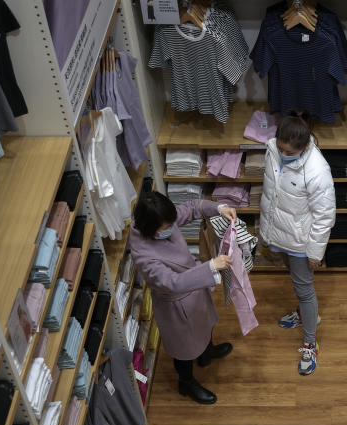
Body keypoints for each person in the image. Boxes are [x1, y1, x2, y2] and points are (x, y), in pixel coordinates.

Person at [130, 192, 237, 404]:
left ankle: (206, 353)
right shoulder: (144, 255)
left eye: (171, 223)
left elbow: (190, 208)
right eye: (165, 228)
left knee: (205, 324)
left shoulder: (161, 219)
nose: (171, 229)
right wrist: (210, 267)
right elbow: (172, 283)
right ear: (150, 229)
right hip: (176, 304)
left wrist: (218, 208)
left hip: (195, 288)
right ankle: (186, 382)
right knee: (184, 349)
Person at [259, 110, 336, 375]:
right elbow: (272, 194)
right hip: (280, 232)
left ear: (304, 148)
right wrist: (266, 233)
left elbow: (325, 216)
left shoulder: (317, 170)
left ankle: (310, 342)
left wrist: (315, 252)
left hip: (301, 241)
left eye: (290, 153)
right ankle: (303, 315)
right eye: (281, 148)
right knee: (294, 278)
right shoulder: (271, 149)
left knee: (304, 288)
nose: (284, 154)